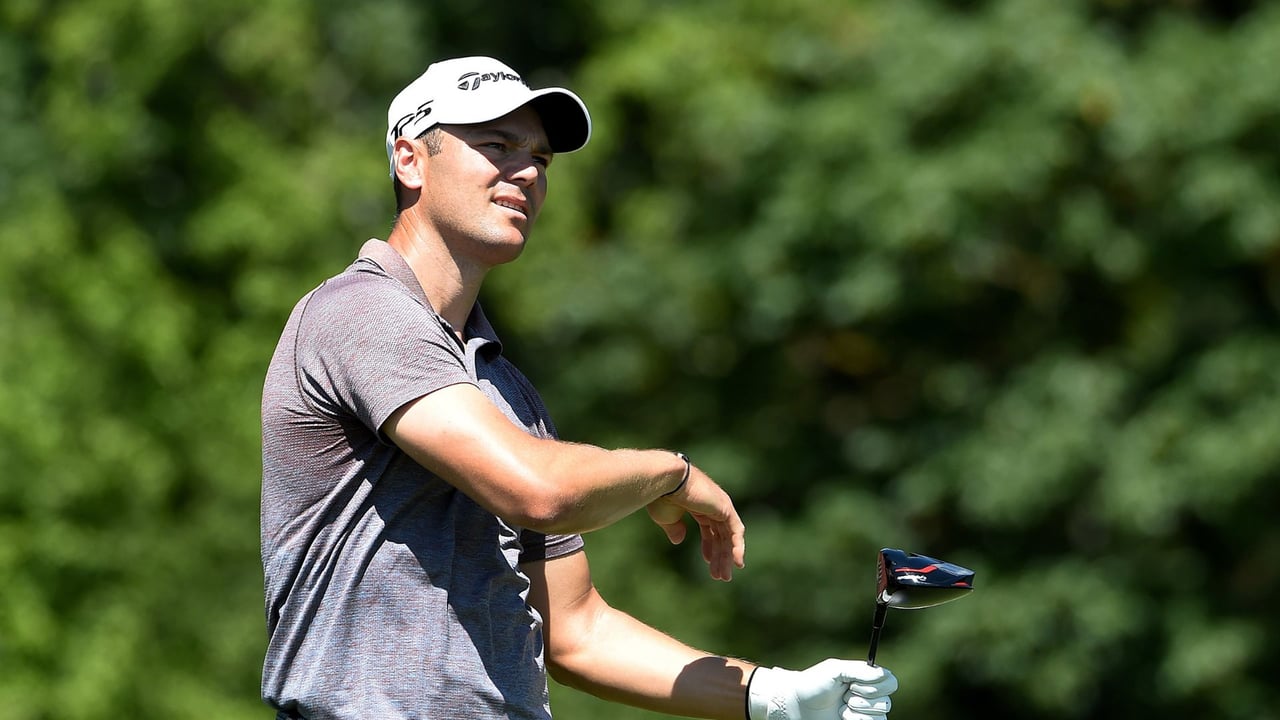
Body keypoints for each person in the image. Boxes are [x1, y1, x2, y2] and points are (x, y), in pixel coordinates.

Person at [259, 55, 899, 720]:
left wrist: (775, 696)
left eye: (540, 157)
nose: (528, 172)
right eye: (497, 145)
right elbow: (538, 490)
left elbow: (576, 632)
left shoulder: (504, 388)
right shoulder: (359, 312)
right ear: (409, 160)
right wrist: (670, 474)